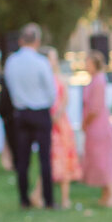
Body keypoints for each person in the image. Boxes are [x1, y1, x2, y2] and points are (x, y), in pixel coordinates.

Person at [3, 24, 56, 209]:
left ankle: (24, 199)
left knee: (23, 160)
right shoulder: (41, 62)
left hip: (21, 113)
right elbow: (51, 91)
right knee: (44, 159)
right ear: (37, 41)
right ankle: (49, 200)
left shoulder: (11, 62)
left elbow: (10, 87)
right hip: (40, 112)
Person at [81, 50, 112, 207]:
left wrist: (85, 122)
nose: (85, 66)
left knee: (102, 159)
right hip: (94, 125)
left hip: (98, 126)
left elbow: (95, 108)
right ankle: (107, 194)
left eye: (88, 62)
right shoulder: (94, 80)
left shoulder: (99, 81)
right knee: (97, 158)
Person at [45, 48, 80, 210]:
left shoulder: (60, 78)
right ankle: (39, 195)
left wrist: (57, 115)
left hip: (61, 124)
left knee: (64, 159)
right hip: (49, 124)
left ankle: (65, 198)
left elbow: (65, 99)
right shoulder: (44, 79)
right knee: (48, 160)